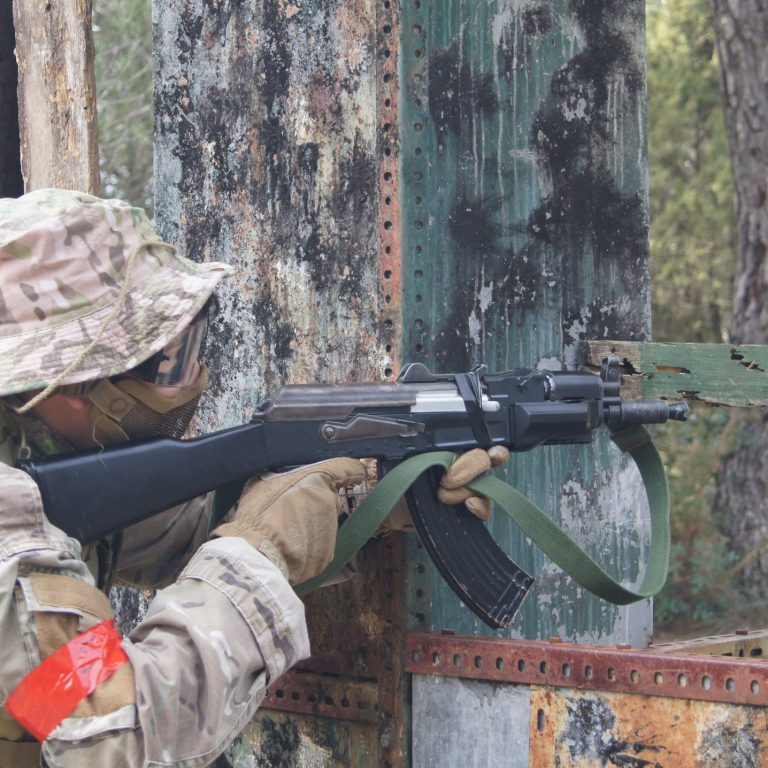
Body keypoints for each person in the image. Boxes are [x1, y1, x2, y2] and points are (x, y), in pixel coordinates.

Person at [0, 189, 505, 768]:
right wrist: (259, 551)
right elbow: (117, 739)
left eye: (191, 342)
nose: (189, 377)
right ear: (64, 387)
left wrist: (371, 487)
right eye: (162, 359)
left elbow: (50, 689)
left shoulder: (32, 460)